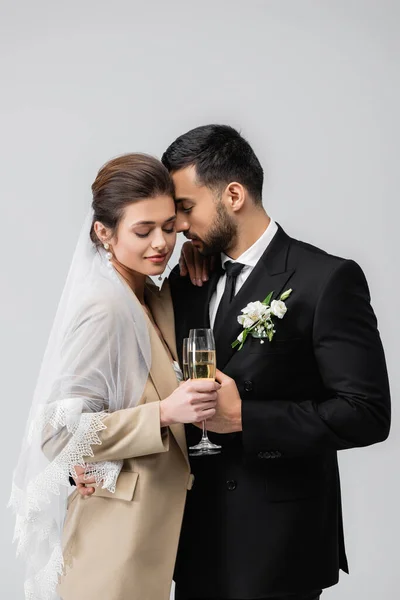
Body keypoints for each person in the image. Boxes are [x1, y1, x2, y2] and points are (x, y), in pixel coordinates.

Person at [161, 124, 391, 600]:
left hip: (281, 543)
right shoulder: (187, 281)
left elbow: (367, 413)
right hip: (193, 541)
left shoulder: (327, 279)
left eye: (186, 207)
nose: (180, 225)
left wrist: (245, 417)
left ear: (233, 194)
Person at [9, 153, 220, 600]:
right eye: (143, 231)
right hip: (113, 544)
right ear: (104, 232)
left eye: (168, 226)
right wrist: (163, 413)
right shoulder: (103, 308)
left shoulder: (149, 293)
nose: (160, 243)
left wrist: (196, 257)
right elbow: (56, 432)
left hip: (153, 537)